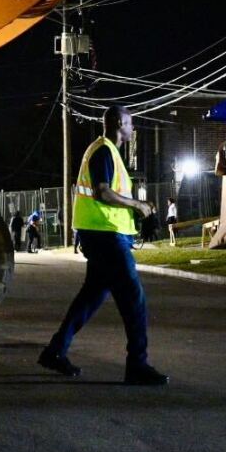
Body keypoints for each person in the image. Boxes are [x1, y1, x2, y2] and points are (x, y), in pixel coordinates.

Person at [40, 105, 168, 386]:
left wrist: (138, 210)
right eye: (130, 124)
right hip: (105, 236)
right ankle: (137, 364)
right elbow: (103, 192)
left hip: (102, 234)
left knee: (91, 296)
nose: (133, 129)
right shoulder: (104, 150)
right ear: (119, 123)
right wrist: (137, 204)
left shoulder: (108, 152)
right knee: (134, 299)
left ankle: (55, 351)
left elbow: (110, 193)